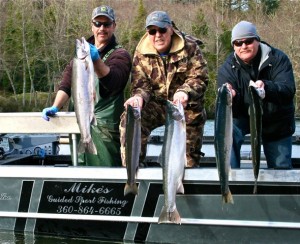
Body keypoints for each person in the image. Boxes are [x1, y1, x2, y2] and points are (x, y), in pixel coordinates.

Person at [42, 5, 132, 167]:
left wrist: (96, 60)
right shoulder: (78, 58)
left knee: (107, 173)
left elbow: (114, 83)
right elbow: (67, 84)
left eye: (107, 24)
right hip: (81, 123)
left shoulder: (120, 55)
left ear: (114, 26)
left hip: (106, 131)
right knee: (81, 171)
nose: (102, 28)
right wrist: (55, 106)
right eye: (97, 24)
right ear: (92, 25)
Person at [119, 11, 208, 168]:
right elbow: (140, 84)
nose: (157, 35)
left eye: (162, 30)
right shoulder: (141, 52)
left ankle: (187, 171)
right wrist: (139, 97)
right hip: (157, 105)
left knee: (188, 159)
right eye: (152, 31)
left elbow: (200, 78)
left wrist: (184, 91)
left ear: (171, 29)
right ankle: (133, 172)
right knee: (130, 116)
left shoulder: (190, 47)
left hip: (184, 107)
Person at [217, 20, 296, 169]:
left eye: (248, 41)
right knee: (227, 128)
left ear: (257, 41)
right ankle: (230, 180)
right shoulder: (227, 68)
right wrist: (231, 96)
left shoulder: (279, 59)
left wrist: (267, 87)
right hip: (243, 118)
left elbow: (288, 90)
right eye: (238, 43)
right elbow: (224, 103)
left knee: (281, 170)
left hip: (276, 122)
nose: (243, 46)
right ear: (233, 46)